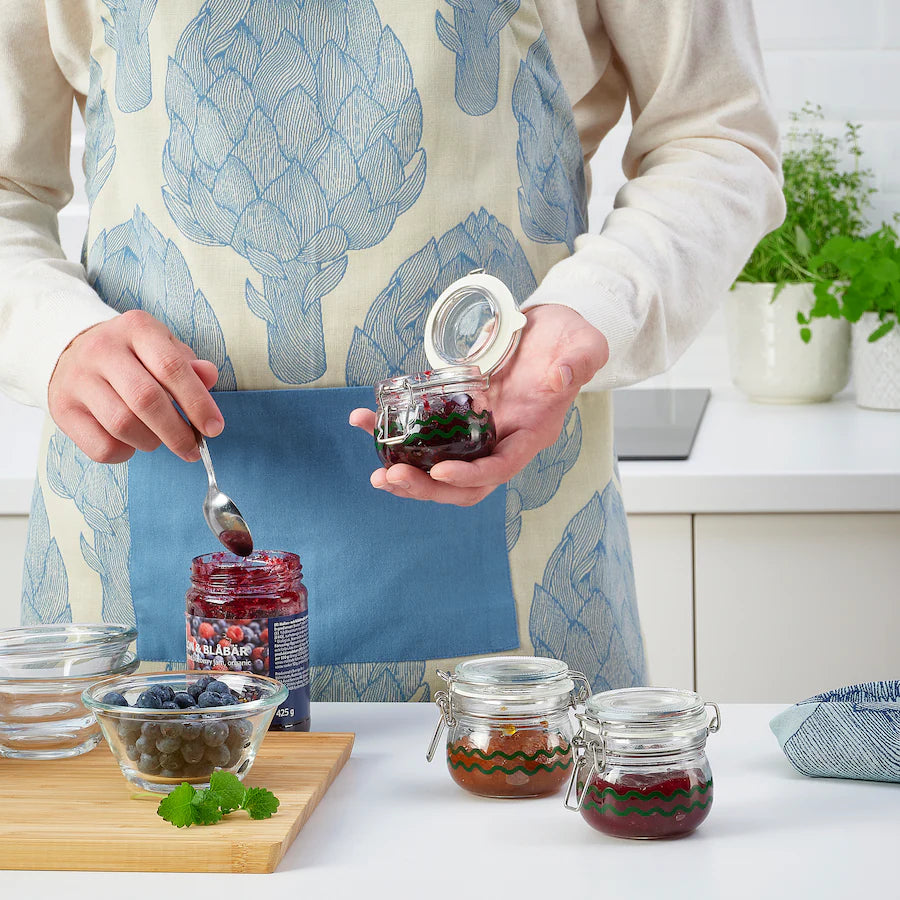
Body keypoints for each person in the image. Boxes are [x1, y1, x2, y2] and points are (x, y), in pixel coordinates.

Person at [0, 0, 784, 701]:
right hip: (142, 516)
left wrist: (589, 314)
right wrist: (54, 336)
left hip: (505, 511)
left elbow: (715, 134)